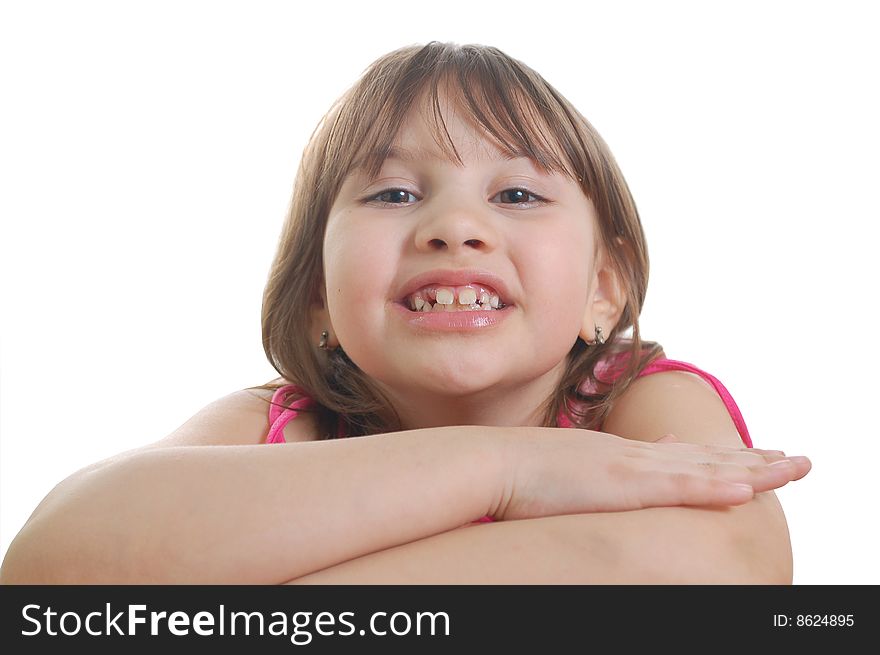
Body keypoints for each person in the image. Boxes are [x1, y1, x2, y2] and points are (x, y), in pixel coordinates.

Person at [0, 41, 811, 585]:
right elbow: (50, 562)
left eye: (518, 194)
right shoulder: (278, 423)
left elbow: (730, 566)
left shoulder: (639, 398)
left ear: (604, 287)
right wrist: (512, 468)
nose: (454, 227)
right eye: (393, 193)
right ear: (318, 295)